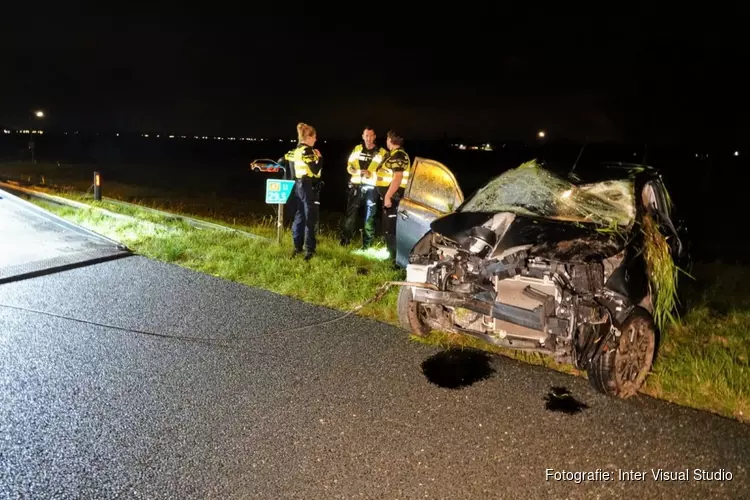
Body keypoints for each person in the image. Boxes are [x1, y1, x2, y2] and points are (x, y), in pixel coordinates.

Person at [340, 127, 387, 249]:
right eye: (366, 135)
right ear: (362, 136)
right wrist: (352, 170)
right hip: (356, 185)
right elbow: (349, 165)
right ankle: (345, 241)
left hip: (371, 187)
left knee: (370, 216)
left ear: (375, 137)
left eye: (371, 136)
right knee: (350, 215)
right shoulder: (357, 149)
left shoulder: (382, 152)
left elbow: (386, 173)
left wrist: (371, 174)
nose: (368, 138)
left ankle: (367, 245)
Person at [285, 122, 323, 260]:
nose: (315, 140)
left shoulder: (293, 152)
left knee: (299, 217)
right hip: (307, 186)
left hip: (297, 186)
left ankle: (297, 247)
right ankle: (309, 251)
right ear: (308, 137)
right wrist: (320, 159)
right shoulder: (308, 151)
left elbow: (288, 171)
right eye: (314, 137)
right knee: (310, 218)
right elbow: (315, 170)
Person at [378, 130, 410, 260]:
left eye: (387, 139)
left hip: (394, 197)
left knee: (391, 228)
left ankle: (394, 259)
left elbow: (398, 177)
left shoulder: (399, 155)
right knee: (387, 227)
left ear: (390, 140)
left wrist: (388, 196)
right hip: (391, 196)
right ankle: (391, 255)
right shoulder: (394, 154)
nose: (386, 141)